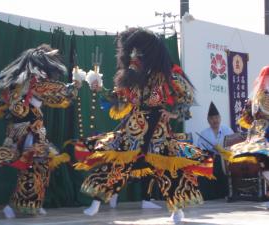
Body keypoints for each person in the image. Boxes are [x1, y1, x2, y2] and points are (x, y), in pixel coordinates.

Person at [72, 28, 214, 224]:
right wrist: (100, 88)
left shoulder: (168, 75)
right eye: (132, 53)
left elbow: (187, 98)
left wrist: (173, 113)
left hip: (158, 130)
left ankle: (177, 210)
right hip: (134, 128)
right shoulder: (133, 77)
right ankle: (96, 202)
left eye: (138, 54)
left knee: (166, 170)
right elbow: (118, 98)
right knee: (117, 163)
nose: (134, 58)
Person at [0, 44, 82, 218]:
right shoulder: (31, 82)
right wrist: (73, 86)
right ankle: (16, 206)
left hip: (28, 131)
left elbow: (50, 94)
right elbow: (57, 91)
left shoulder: (24, 81)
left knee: (40, 166)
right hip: (27, 133)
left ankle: (34, 204)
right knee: (34, 166)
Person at [229, 66, 269, 208]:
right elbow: (256, 115)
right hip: (262, 134)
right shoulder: (261, 96)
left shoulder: (257, 96)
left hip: (258, 133)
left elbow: (250, 116)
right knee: (264, 160)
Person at [196, 102, 234, 199]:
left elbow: (234, 144)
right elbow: (200, 151)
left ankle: (227, 193)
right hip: (212, 160)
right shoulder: (204, 134)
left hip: (226, 159)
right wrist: (212, 151)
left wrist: (223, 149)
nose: (215, 120)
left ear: (220, 118)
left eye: (217, 118)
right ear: (208, 120)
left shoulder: (227, 130)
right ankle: (210, 195)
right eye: (212, 118)